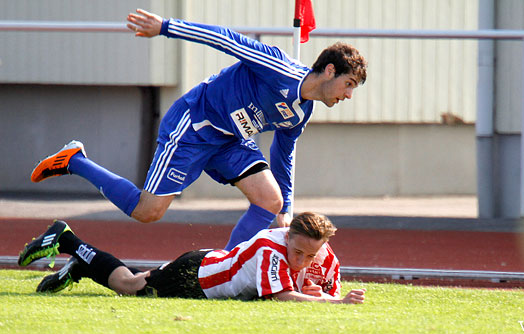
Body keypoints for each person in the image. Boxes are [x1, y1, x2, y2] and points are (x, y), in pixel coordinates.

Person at [29, 8, 367, 250]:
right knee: (148, 212)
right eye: (348, 84)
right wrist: (165, 27)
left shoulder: (300, 113)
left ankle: (225, 269)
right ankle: (75, 160)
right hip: (193, 125)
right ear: (329, 71)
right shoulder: (279, 68)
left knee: (270, 199)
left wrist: (286, 207)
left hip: (231, 141)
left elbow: (284, 153)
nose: (349, 95)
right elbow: (226, 39)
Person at [18, 212, 366, 304]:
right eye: (298, 252)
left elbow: (328, 291)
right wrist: (331, 304)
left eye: (311, 254)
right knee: (126, 285)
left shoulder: (323, 254)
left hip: (208, 271)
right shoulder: (269, 248)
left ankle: (84, 265)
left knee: (134, 279)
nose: (303, 261)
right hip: (197, 276)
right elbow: (283, 296)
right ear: (287, 237)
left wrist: (332, 298)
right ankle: (68, 240)